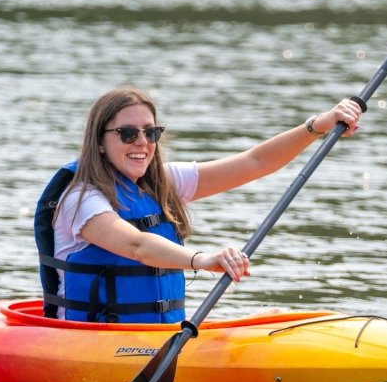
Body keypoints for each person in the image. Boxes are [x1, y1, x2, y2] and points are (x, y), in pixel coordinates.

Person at [34, 87, 362, 323]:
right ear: (100, 142)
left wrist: (316, 126)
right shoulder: (81, 199)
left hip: (155, 336)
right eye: (127, 133)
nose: (142, 142)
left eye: (151, 132)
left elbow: (256, 162)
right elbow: (137, 246)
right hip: (92, 339)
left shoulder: (163, 182)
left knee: (273, 318)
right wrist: (202, 260)